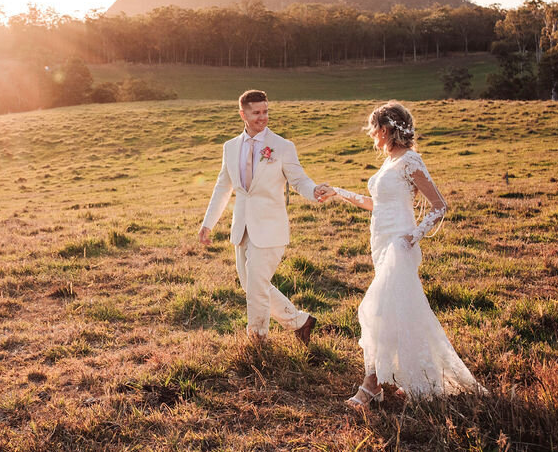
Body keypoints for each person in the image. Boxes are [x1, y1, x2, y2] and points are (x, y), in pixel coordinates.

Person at [319, 101, 482, 409]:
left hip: (399, 245)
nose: (371, 135)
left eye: (373, 129)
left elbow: (440, 205)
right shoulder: (389, 161)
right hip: (380, 243)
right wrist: (338, 192)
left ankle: (371, 385)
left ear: (385, 130)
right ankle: (417, 377)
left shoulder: (410, 160)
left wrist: (413, 236)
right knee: (402, 313)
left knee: (375, 310)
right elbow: (375, 204)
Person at [198, 90, 332, 344]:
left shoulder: (282, 147)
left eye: (266, 111)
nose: (263, 117)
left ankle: (258, 341)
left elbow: (299, 179)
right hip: (242, 228)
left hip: (270, 229)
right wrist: (208, 223)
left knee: (257, 286)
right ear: (243, 114)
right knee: (251, 285)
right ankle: (300, 322)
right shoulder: (230, 148)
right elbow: (222, 188)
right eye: (256, 113)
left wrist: (314, 191)